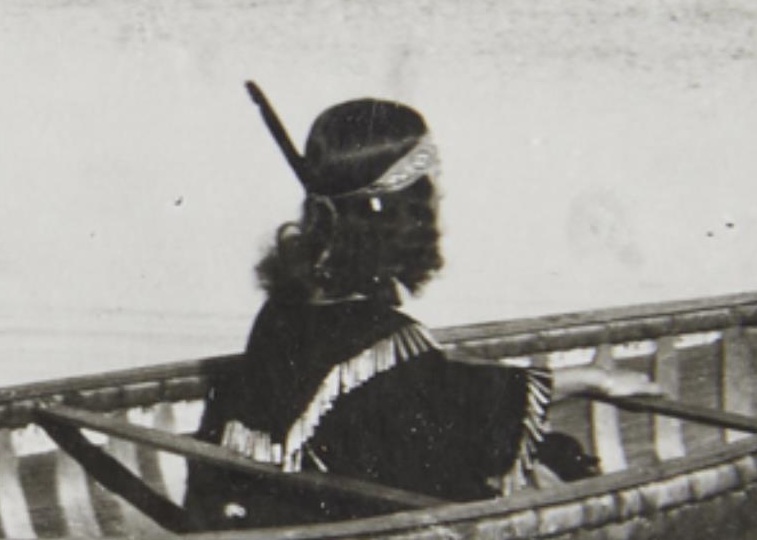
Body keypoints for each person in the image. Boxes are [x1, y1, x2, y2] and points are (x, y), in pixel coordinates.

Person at [198, 88, 573, 501]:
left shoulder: (287, 307)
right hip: (342, 518)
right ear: (398, 209)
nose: (440, 193)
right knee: (553, 462)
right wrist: (591, 382)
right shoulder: (386, 336)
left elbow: (430, 391)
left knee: (547, 454)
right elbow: (450, 413)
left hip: (277, 504)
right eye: (429, 181)